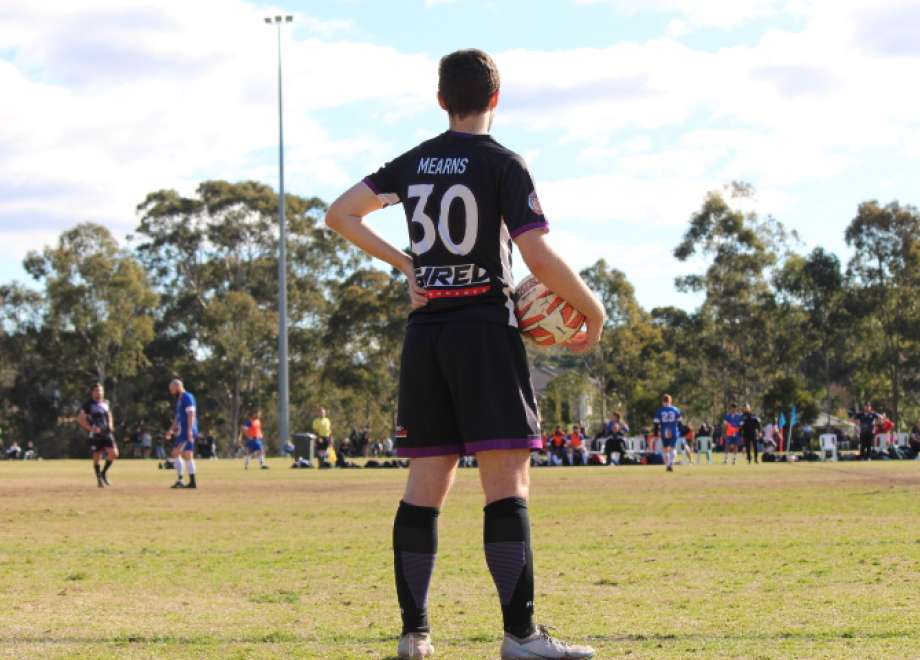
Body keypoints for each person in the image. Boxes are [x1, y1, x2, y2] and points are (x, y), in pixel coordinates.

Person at [324, 48, 602, 660]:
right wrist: (595, 309)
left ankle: (414, 635)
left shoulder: (416, 161)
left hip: (426, 335)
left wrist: (407, 264)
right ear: (496, 100)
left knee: (425, 484)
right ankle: (521, 637)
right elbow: (537, 256)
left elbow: (338, 213)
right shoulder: (504, 163)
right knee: (507, 484)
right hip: (483, 330)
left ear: (442, 100)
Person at [78, 382, 119, 487]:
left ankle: (103, 472)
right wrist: (91, 428)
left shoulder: (105, 403)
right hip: (96, 435)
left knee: (114, 453)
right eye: (97, 391)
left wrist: (110, 424)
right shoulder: (88, 404)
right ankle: (99, 480)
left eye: (101, 391)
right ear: (92, 392)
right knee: (97, 456)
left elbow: (109, 414)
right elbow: (81, 419)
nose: (99, 393)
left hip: (107, 433)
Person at [166, 379, 198, 489]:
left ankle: (181, 480)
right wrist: (171, 429)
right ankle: (192, 482)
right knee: (187, 455)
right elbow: (178, 417)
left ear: (178, 387)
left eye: (172, 390)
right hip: (183, 431)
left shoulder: (187, 397)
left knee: (176, 453)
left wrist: (189, 430)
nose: (172, 393)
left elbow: (191, 414)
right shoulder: (180, 400)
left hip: (187, 431)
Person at [653, 394, 682, 472]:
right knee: (673, 448)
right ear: (670, 401)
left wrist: (655, 434)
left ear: (662, 401)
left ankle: (668, 465)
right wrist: (680, 432)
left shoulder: (659, 410)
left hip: (664, 431)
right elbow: (679, 423)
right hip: (673, 430)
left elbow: (656, 424)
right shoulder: (676, 409)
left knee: (665, 449)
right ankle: (670, 463)